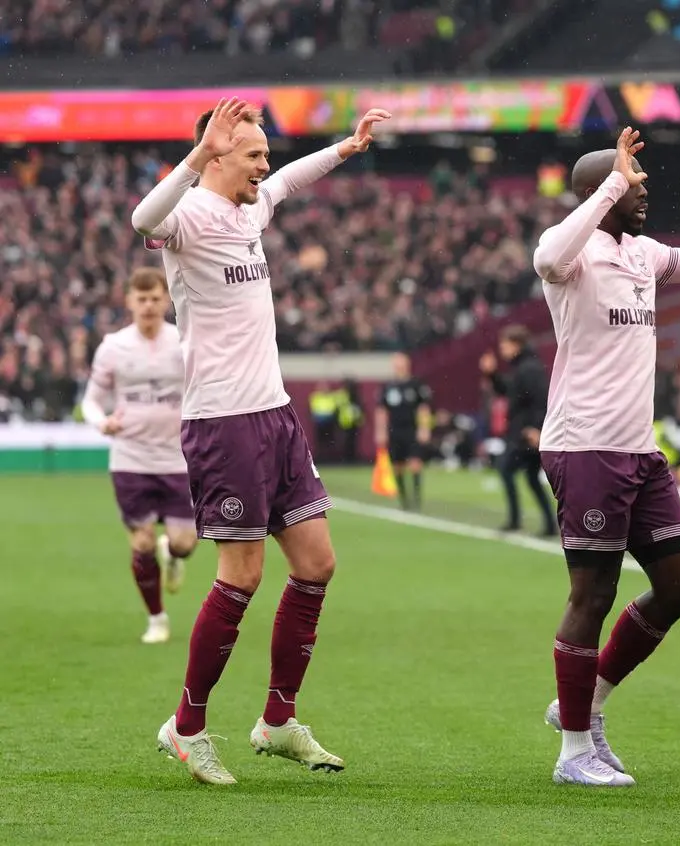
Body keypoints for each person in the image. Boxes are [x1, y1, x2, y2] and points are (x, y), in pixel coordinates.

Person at [131, 97, 390, 785]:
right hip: (222, 422)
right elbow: (141, 219)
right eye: (253, 153)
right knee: (241, 575)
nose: (265, 165)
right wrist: (193, 156)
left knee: (316, 563)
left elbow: (288, 182)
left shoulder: (250, 211)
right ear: (217, 154)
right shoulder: (187, 217)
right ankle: (185, 726)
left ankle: (277, 720)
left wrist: (345, 148)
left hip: (274, 414)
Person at [533, 127, 680, 787]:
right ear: (596, 192)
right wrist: (615, 176)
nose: (643, 194)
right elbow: (549, 256)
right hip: (585, 447)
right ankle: (574, 751)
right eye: (634, 185)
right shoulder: (571, 256)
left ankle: (586, 704)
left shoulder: (643, 254)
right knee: (593, 591)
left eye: (641, 185)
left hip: (638, 449)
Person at [81, 267, 197, 645]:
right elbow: (92, 401)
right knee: (141, 541)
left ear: (166, 300)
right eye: (141, 298)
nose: (148, 305)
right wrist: (102, 423)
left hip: (178, 460)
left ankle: (174, 554)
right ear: (129, 301)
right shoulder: (113, 347)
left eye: (155, 298)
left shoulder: (183, 341)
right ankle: (157, 618)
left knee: (184, 543)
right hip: (131, 459)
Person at [480, 324, 555, 536]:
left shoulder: (529, 368)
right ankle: (549, 524)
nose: (502, 349)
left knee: (506, 469)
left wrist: (536, 428)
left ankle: (515, 520)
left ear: (516, 344)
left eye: (504, 344)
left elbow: (540, 400)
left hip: (525, 433)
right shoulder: (523, 366)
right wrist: (492, 374)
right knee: (531, 477)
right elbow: (508, 391)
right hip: (523, 431)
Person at [375, 352, 433, 511]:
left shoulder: (416, 384)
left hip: (412, 430)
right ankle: (404, 500)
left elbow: (424, 408)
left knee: (415, 464)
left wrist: (424, 428)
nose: (399, 365)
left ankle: (416, 499)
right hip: (395, 430)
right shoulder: (388, 386)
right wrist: (381, 431)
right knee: (398, 466)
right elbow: (382, 410)